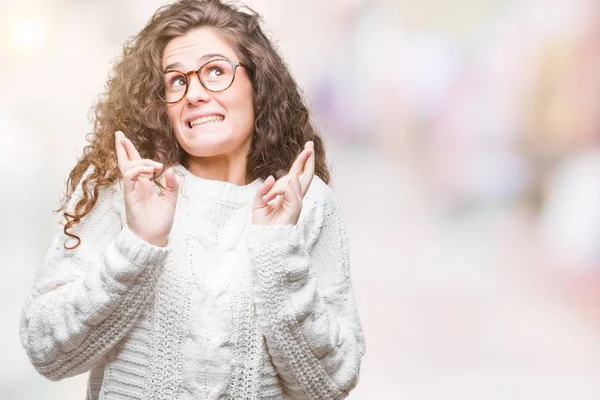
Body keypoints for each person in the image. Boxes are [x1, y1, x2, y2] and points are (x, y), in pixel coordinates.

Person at [19, 0, 365, 399]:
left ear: (257, 82)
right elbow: (46, 351)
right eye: (176, 81)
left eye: (215, 71)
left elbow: (331, 383)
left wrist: (277, 249)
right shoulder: (126, 186)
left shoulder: (304, 202)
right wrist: (138, 245)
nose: (194, 93)